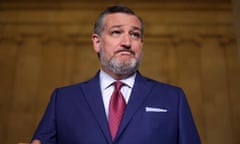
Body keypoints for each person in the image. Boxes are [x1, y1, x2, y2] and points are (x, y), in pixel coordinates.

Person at [31, 5, 201, 144]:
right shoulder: (63, 100)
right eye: (116, 32)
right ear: (97, 42)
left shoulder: (173, 98)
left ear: (141, 44)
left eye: (135, 35)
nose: (127, 42)